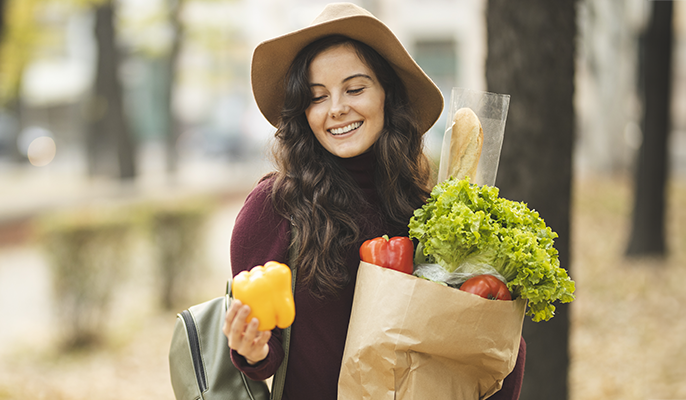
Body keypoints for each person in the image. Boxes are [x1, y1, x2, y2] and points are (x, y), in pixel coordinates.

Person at [221, 3, 525, 399]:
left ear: (387, 95)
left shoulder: (428, 208)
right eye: (317, 97)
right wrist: (252, 348)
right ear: (303, 112)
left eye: (355, 88)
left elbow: (477, 341)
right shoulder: (273, 209)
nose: (336, 108)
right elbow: (266, 348)